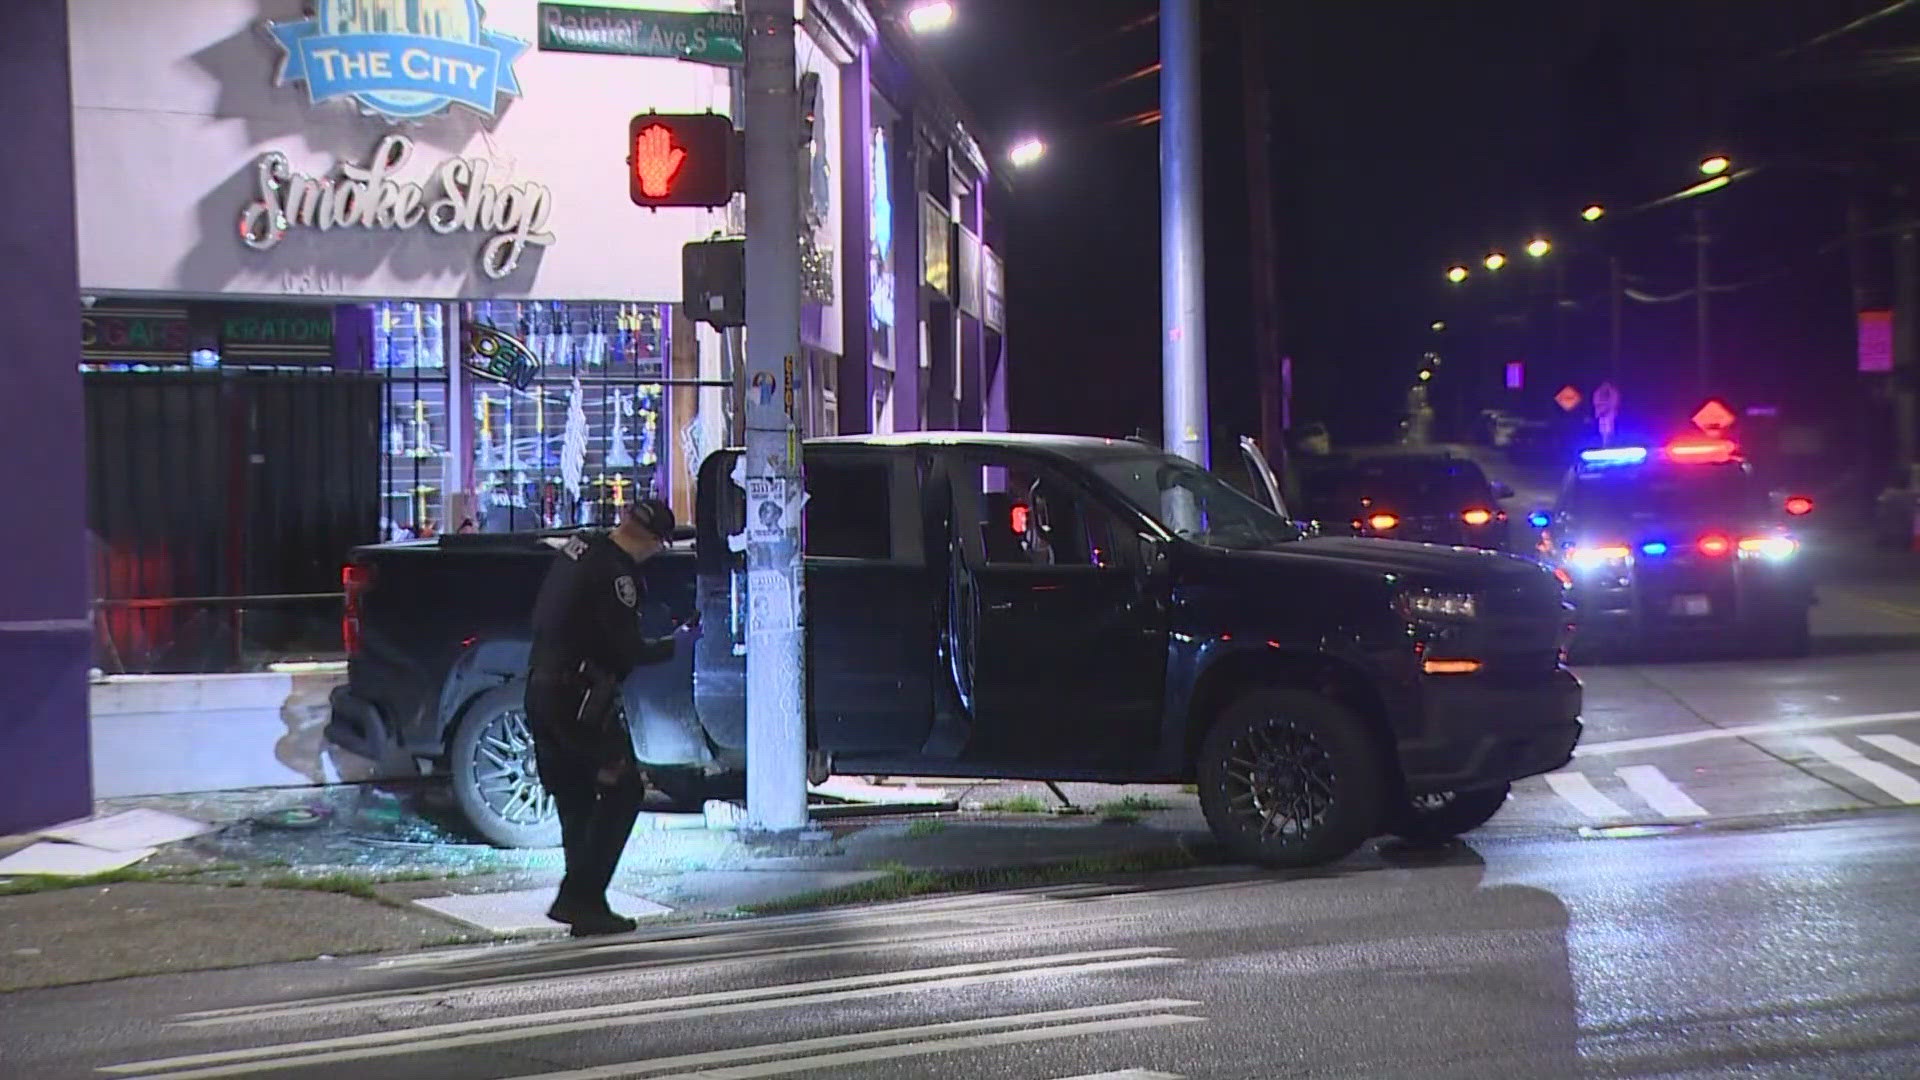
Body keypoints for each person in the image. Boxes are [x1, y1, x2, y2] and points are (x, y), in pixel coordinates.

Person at [526, 497, 681, 936]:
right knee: (623, 790)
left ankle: (586, 906)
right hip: (578, 702)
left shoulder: (579, 549)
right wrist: (676, 645)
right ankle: (579, 895)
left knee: (574, 799)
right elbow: (625, 650)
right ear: (653, 542)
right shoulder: (619, 576)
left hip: (541, 691)